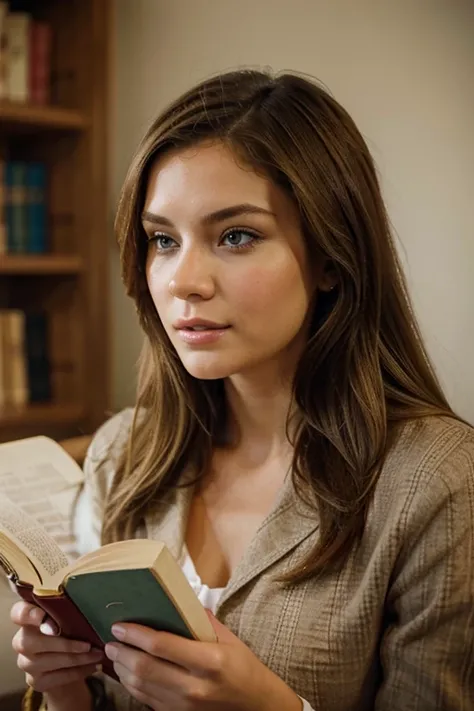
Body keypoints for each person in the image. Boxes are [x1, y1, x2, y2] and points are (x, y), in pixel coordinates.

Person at [11, 69, 474, 711]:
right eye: (163, 241)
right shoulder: (125, 454)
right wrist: (64, 691)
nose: (183, 281)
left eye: (236, 236)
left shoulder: (436, 481)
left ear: (332, 258)